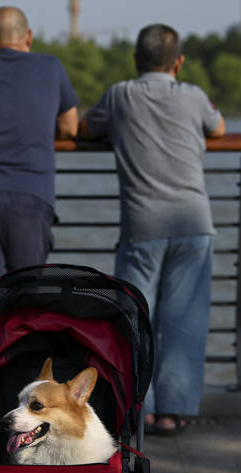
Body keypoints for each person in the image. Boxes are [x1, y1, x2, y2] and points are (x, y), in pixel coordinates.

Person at [79, 23, 225, 435]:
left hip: (143, 225)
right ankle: (172, 412)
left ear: (135, 60)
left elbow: (84, 128)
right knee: (184, 321)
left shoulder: (120, 95)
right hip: (194, 222)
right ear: (178, 62)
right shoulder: (194, 96)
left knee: (133, 318)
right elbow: (220, 128)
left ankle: (136, 408)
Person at [0, 6, 79, 306]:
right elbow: (70, 126)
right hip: (31, 194)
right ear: (29, 37)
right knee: (27, 303)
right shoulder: (51, 66)